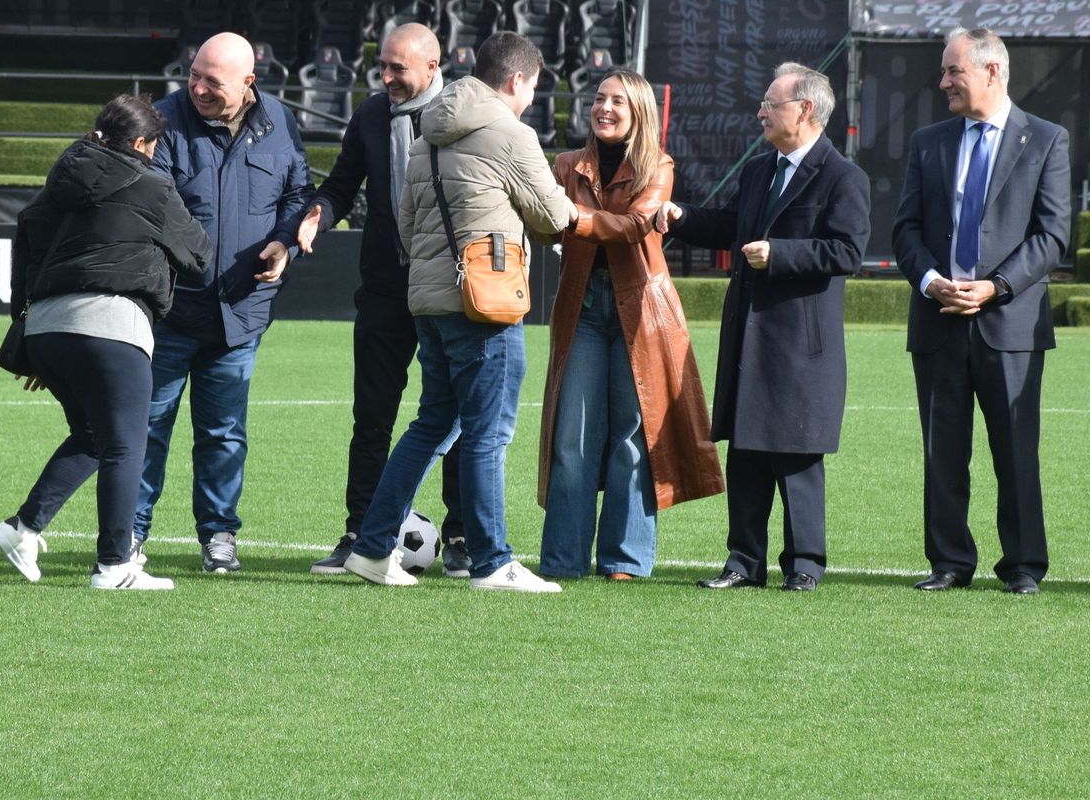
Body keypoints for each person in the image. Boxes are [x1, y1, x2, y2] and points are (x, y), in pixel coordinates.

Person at [340, 31, 578, 592]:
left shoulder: (427, 135)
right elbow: (554, 217)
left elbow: (405, 221)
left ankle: (373, 548)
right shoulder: (510, 134)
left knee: (432, 424)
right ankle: (492, 561)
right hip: (484, 301)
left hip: (429, 300)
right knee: (486, 434)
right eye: (533, 87)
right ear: (517, 80)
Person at [0, 96, 212, 589]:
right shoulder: (152, 185)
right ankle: (115, 565)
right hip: (112, 325)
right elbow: (199, 255)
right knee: (126, 447)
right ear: (139, 143)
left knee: (94, 436)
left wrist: (29, 330)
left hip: (47, 328)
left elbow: (25, 242)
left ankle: (22, 528)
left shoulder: (58, 180)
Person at [662, 62, 869, 592]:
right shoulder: (760, 169)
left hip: (801, 346)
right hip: (748, 338)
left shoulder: (843, 176)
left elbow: (847, 251)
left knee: (798, 455)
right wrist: (679, 216)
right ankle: (742, 561)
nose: (760, 112)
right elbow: (728, 226)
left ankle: (804, 566)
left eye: (769, 104)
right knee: (748, 452)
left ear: (803, 110)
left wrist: (779, 254)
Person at [893, 27, 1070, 595]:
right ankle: (949, 562)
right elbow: (905, 229)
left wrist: (995, 288)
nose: (942, 81)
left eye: (953, 71)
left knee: (1016, 450)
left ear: (992, 72)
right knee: (942, 450)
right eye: (945, 72)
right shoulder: (928, 142)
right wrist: (929, 281)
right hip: (938, 319)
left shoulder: (1046, 140)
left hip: (1010, 324)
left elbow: (1052, 237)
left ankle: (1022, 566)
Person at [295, 23, 471, 577]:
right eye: (384, 67)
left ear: (432, 67)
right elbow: (342, 185)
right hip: (385, 292)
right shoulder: (369, 116)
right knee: (371, 417)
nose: (387, 78)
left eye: (399, 68)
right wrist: (318, 215)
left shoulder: (467, 112)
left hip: (450, 290)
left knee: (457, 418)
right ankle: (359, 533)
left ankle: (463, 537)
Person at [135, 32, 313, 572]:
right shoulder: (163, 120)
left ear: (248, 83)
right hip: (170, 310)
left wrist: (285, 241)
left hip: (242, 311)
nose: (199, 88)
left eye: (213, 81)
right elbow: (154, 204)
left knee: (224, 433)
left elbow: (298, 194)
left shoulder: (280, 121)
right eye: (194, 75)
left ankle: (218, 536)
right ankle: (130, 534)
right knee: (147, 427)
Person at [538, 69, 723, 580]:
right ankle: (563, 560)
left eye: (618, 101)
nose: (605, 108)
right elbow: (539, 219)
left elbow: (636, 225)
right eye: (599, 98)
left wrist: (568, 217)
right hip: (582, 309)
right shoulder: (566, 165)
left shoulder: (658, 166)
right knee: (571, 440)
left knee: (631, 439)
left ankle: (625, 560)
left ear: (639, 111)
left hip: (641, 313)